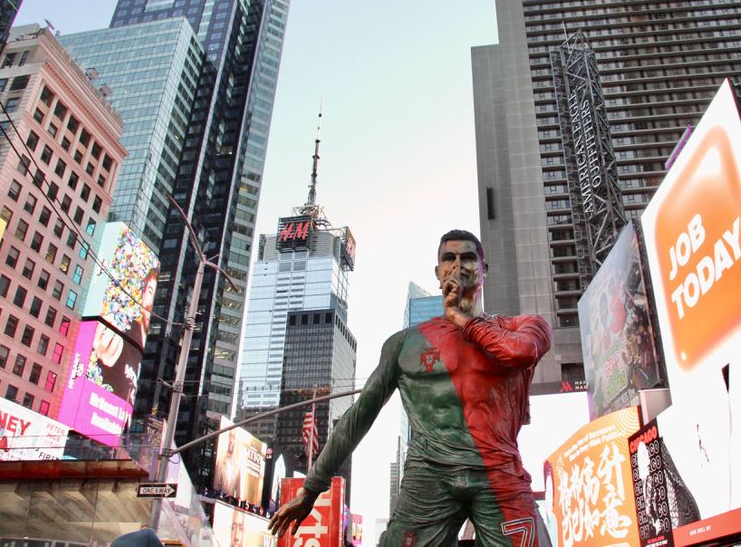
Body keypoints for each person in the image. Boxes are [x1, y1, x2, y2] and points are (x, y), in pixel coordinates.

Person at [269, 230, 553, 546]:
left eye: (469, 257)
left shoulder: (522, 327)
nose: (458, 265)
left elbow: (521, 352)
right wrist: (311, 488)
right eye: (449, 258)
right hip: (428, 475)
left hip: (498, 471)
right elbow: (359, 416)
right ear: (438, 272)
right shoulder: (404, 344)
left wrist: (463, 320)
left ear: (484, 269)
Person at [215, 429, 241, 498]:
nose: (231, 440)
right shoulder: (220, 461)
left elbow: (238, 493)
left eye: (233, 437)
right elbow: (215, 485)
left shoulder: (238, 466)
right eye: (230, 436)